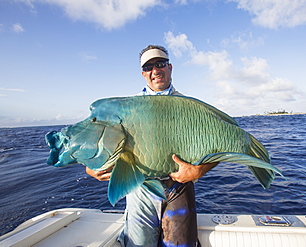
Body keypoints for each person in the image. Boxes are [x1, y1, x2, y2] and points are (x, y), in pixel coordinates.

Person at [86, 45, 218, 247]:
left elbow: (220, 147)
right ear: (143, 74)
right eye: (148, 67)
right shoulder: (127, 109)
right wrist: (91, 167)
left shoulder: (191, 108)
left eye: (160, 64)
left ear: (170, 67)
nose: (155, 70)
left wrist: (199, 170)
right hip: (140, 188)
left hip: (179, 186)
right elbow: (97, 140)